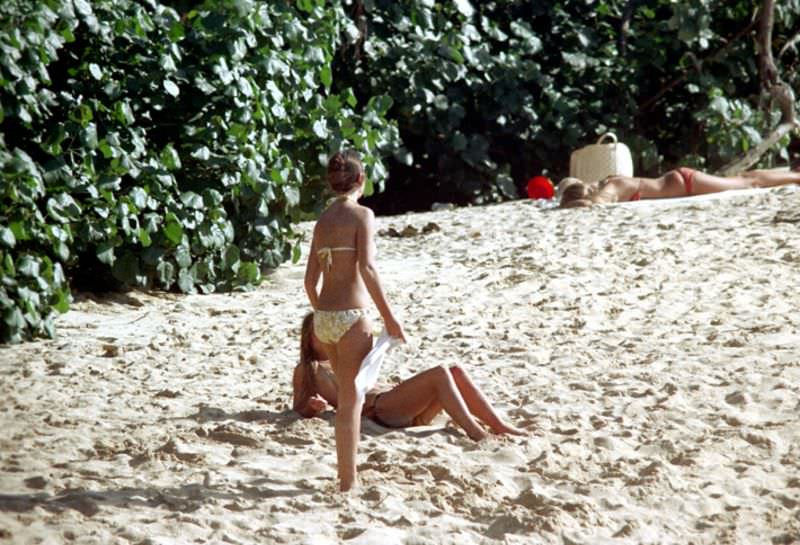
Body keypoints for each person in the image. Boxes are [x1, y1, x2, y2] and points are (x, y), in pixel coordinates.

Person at [304, 150, 406, 492]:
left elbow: (309, 281)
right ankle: (347, 480)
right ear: (360, 180)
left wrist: (322, 311)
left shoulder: (322, 221)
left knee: (348, 398)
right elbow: (367, 268)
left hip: (325, 319)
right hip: (351, 316)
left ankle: (346, 473)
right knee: (351, 401)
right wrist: (391, 319)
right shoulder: (363, 215)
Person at [292, 313, 525, 441]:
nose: (328, 335)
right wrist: (313, 408)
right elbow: (298, 407)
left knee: (455, 371)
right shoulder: (309, 368)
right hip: (379, 410)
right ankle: (476, 432)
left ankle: (499, 425)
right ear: (308, 339)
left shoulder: (345, 356)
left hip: (401, 408)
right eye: (320, 332)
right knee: (440, 373)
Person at [559, 166, 800, 208]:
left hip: (686, 184)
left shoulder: (611, 188)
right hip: (681, 181)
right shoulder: (610, 181)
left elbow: (599, 203)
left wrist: (574, 205)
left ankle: (796, 178)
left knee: (749, 183)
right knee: (746, 179)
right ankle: (793, 175)